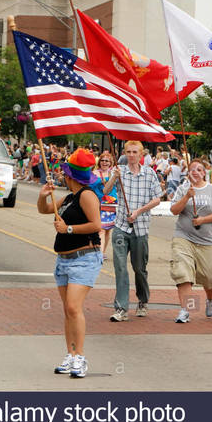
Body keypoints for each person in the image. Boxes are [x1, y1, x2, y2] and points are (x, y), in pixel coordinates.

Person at [37, 148, 102, 378]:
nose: (64, 175)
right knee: (68, 310)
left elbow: (97, 225)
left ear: (70, 175)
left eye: (66, 172)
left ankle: (80, 357)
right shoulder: (70, 197)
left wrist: (69, 229)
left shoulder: (87, 195)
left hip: (84, 258)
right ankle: (70, 355)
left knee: (74, 307)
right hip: (63, 259)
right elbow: (44, 209)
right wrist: (43, 193)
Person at [104, 140, 162, 322]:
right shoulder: (120, 172)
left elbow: (157, 199)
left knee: (139, 268)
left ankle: (143, 300)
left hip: (141, 228)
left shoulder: (150, 174)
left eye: (134, 152)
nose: (131, 155)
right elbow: (105, 191)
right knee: (120, 267)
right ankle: (121, 307)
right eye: (128, 151)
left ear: (141, 154)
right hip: (121, 226)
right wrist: (113, 177)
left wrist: (138, 212)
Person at [170, 159, 212, 323]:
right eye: (191, 169)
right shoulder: (183, 189)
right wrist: (187, 196)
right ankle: (187, 310)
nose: (195, 172)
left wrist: (203, 220)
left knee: (211, 277)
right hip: (184, 237)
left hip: (208, 240)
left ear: (204, 173)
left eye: (199, 169)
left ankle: (210, 298)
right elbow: (174, 210)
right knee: (182, 273)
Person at [91, 152, 118, 260]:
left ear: (110, 162)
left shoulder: (113, 173)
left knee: (107, 229)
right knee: (101, 228)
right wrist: (99, 182)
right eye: (102, 160)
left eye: (107, 161)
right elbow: (90, 186)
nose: (104, 162)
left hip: (110, 203)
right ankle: (100, 252)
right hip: (97, 202)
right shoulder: (94, 173)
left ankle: (103, 251)